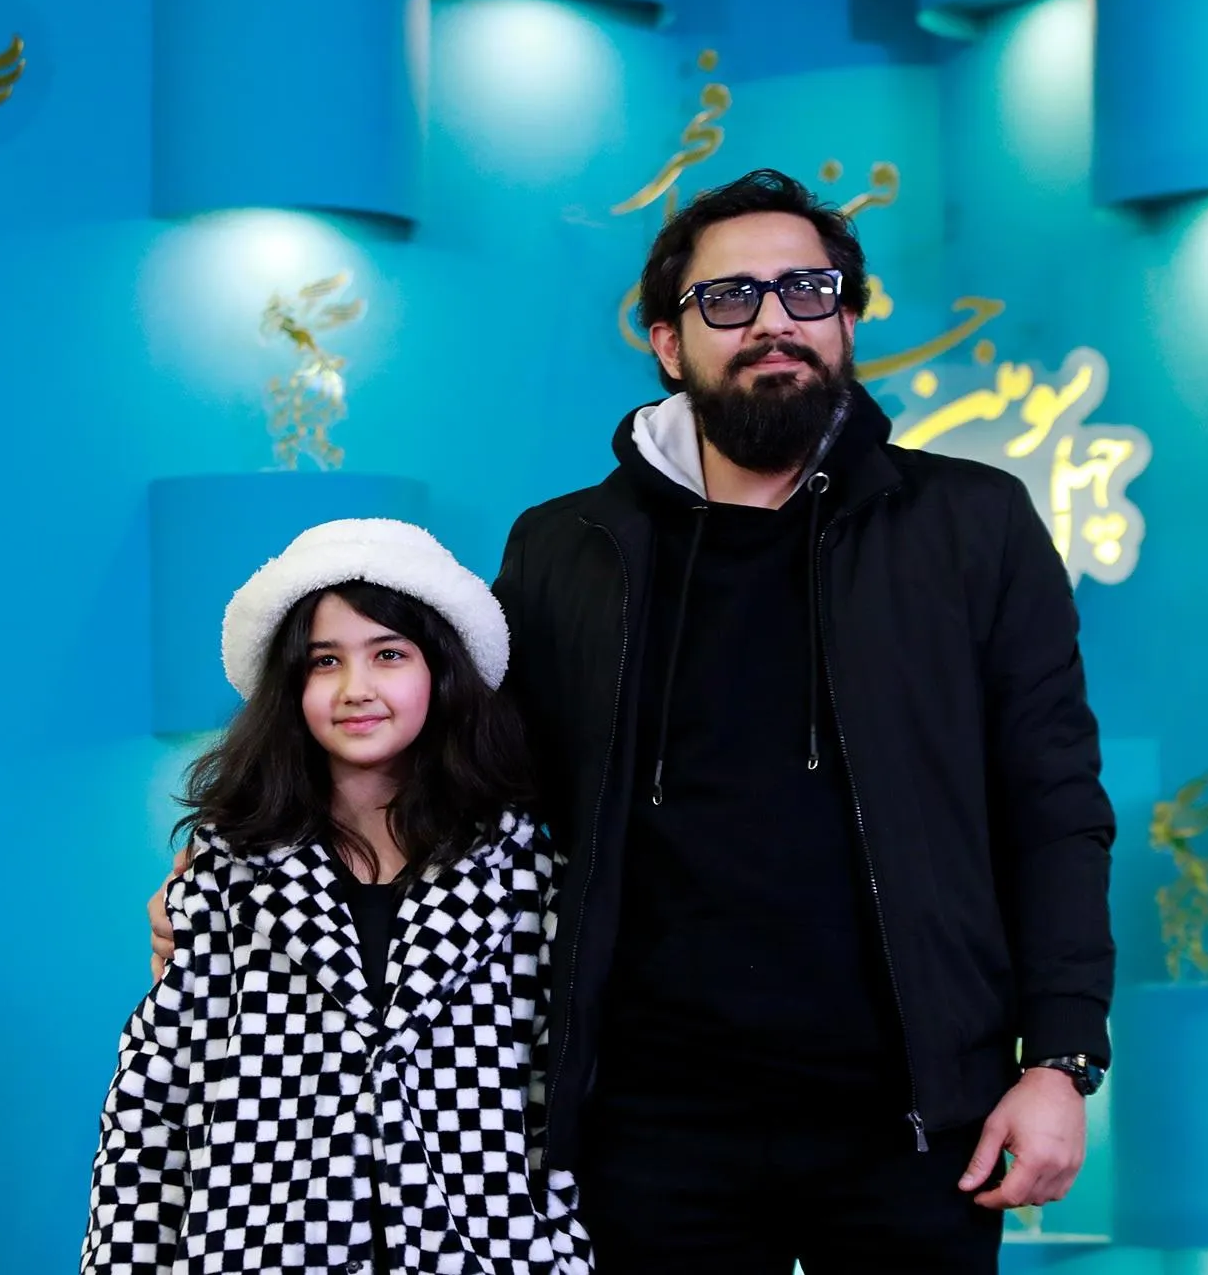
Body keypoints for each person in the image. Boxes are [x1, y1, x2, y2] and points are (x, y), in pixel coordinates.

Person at [153, 167, 1116, 1273]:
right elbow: (463, 779)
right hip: (648, 1124)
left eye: (806, 291)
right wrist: (234, 869)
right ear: (668, 343)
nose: (772, 321)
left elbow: (1052, 802)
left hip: (913, 1112)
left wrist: (1059, 1058)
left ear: (846, 320)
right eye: (729, 298)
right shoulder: (567, 550)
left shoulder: (971, 524)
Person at [84, 518, 595, 1275]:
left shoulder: (525, 870)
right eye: (326, 660)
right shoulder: (228, 870)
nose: (357, 689)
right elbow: (152, 1101)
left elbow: (563, 1097)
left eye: (389, 654)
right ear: (291, 685)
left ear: (440, 669)